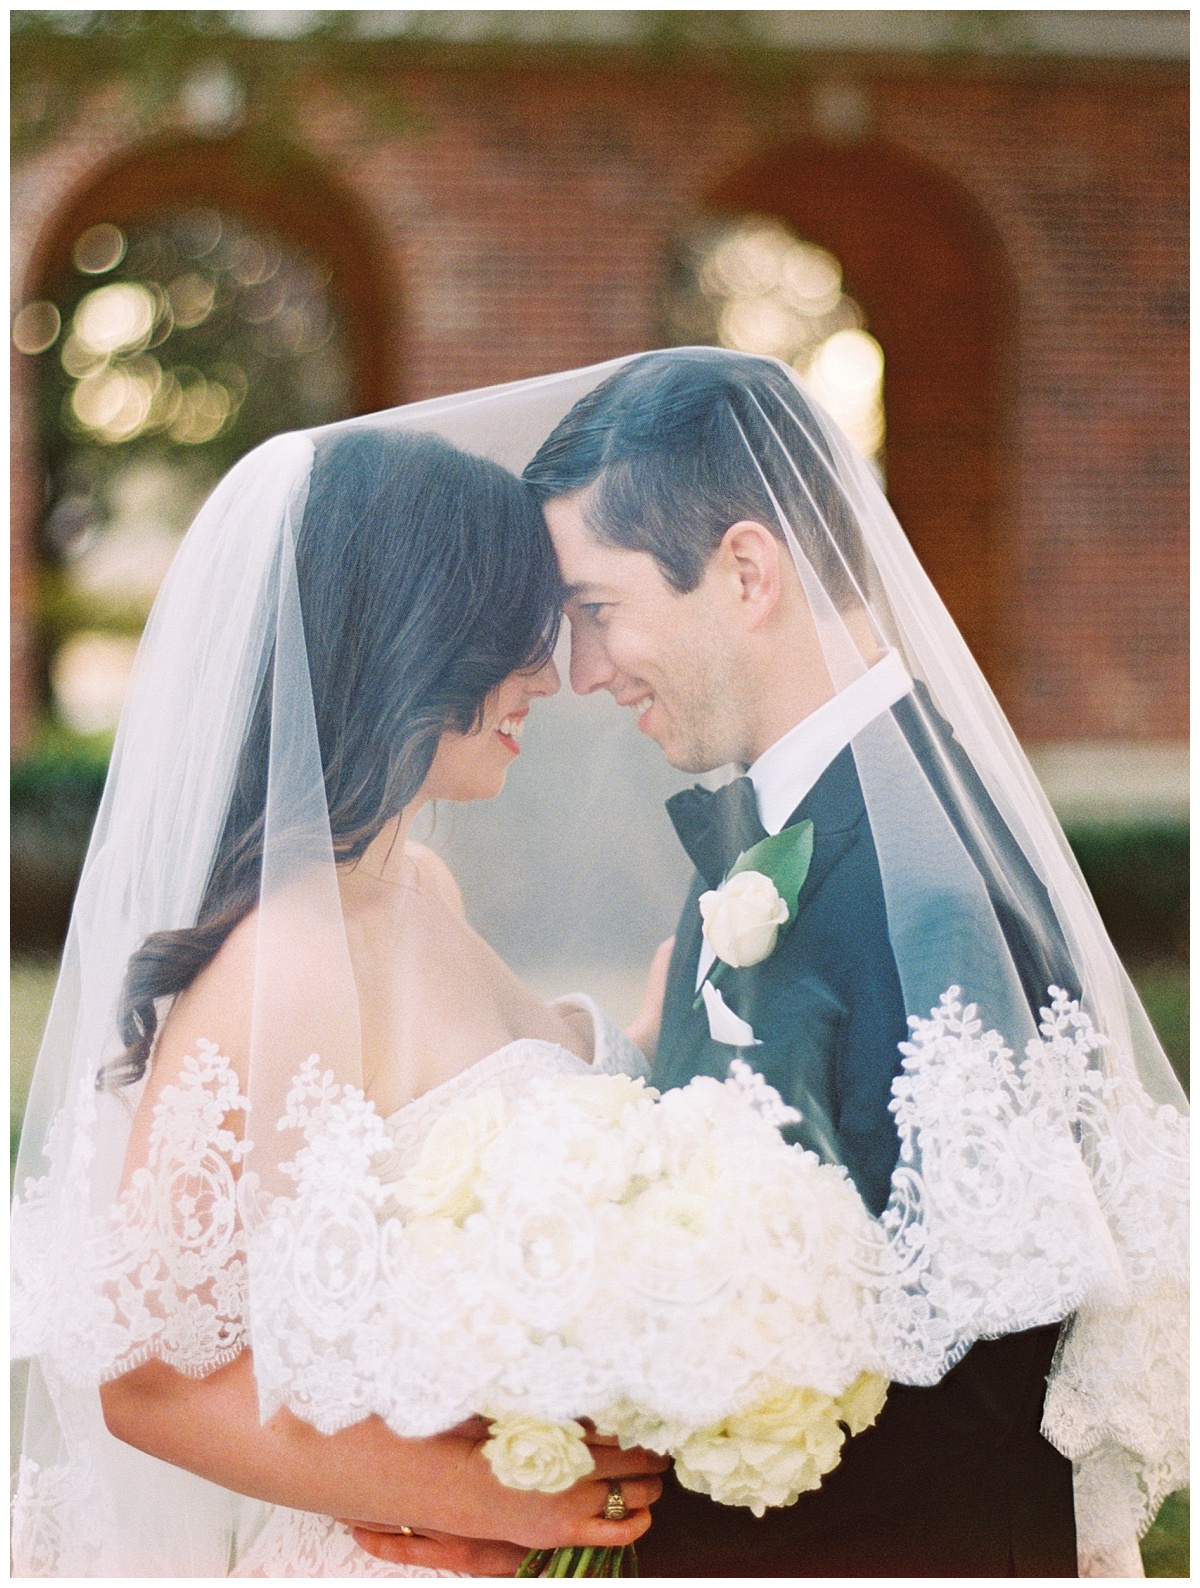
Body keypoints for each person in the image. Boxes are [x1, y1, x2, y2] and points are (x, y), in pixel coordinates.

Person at [506, 349, 1185, 1578]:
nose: (585, 670)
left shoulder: (919, 888)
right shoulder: (821, 829)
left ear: (748, 572)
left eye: (598, 609)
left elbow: (974, 1416)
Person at [10, 424, 669, 1577]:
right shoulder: (288, 956)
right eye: (516, 636)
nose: (550, 677)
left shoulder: (418, 885)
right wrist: (497, 1500)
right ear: (422, 638)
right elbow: (149, 1384)